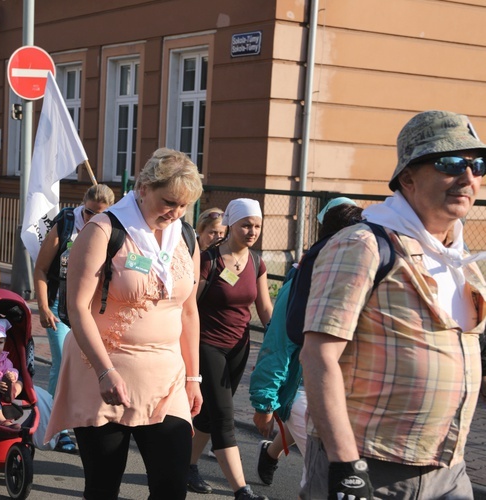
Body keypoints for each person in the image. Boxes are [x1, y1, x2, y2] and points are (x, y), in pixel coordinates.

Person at [300, 110, 486, 499]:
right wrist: (346, 465)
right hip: (372, 466)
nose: (469, 178)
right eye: (450, 163)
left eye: (478, 165)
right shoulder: (363, 245)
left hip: (449, 470)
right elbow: (319, 356)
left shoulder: (461, 260)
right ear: (408, 177)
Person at [46, 148, 204, 499]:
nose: (176, 213)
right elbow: (77, 308)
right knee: (103, 487)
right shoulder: (104, 229)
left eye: (184, 206)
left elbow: (189, 310)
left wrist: (193, 378)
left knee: (172, 486)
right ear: (144, 187)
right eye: (169, 202)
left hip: (167, 378)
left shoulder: (185, 235)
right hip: (105, 371)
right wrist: (105, 371)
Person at [248, 199, 362, 488]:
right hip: (302, 390)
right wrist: (265, 403)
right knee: (326, 471)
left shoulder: (359, 276)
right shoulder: (304, 279)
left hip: (342, 390)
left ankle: (270, 453)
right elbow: (277, 344)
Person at [188, 198, 273, 500]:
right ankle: (242, 490)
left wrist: (279, 343)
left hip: (239, 347)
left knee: (210, 414)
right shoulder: (209, 260)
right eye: (246, 225)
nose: (252, 231)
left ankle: (188, 465)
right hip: (208, 345)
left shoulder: (256, 262)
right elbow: (189, 307)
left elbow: (264, 307)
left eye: (257, 226)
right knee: (224, 417)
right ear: (232, 225)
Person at [33, 183, 115, 452]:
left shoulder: (113, 228)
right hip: (60, 305)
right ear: (83, 204)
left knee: (89, 364)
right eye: (89, 213)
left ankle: (83, 418)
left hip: (92, 309)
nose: (93, 219)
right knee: (62, 360)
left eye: (99, 215)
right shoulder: (67, 222)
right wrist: (43, 306)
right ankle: (59, 428)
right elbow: (42, 268)